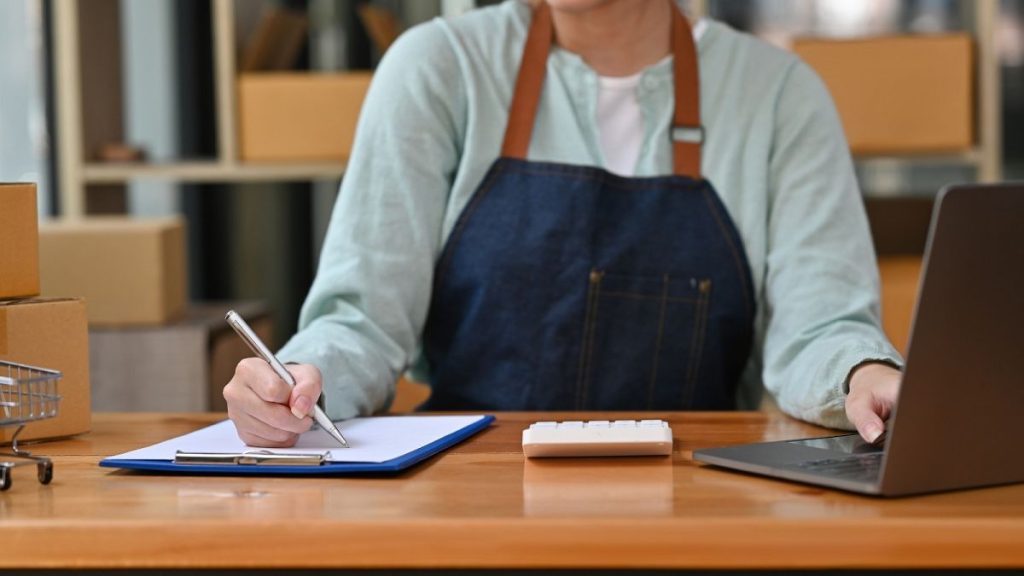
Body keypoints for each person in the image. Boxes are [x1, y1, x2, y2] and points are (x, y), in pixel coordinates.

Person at [223, 0, 903, 448]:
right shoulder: (438, 70)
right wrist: (301, 382)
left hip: (700, 501)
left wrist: (864, 374)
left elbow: (823, 326)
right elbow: (363, 321)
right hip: (465, 501)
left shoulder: (779, 95)